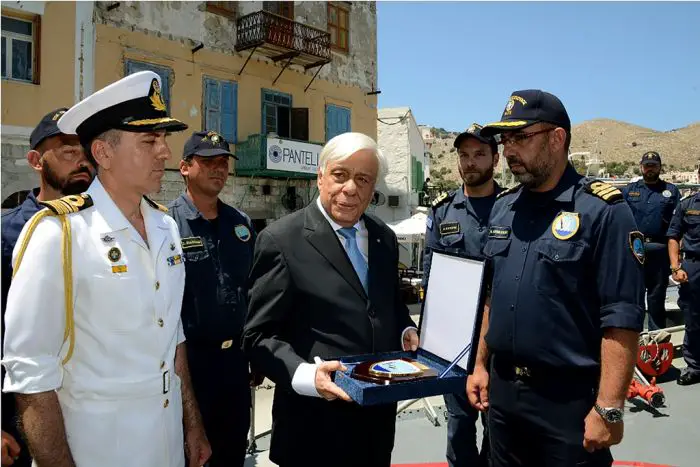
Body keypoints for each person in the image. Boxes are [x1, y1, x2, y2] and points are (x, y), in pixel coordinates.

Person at [1, 71, 211, 467]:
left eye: (164, 139)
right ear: (103, 153)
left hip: (165, 444)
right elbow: (30, 372)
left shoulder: (165, 226)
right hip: (99, 450)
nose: (165, 152)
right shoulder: (58, 233)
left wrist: (192, 425)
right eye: (150, 140)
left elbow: (172, 334)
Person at [467, 90, 645, 467]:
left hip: (567, 405)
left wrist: (609, 408)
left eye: (520, 138)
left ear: (556, 139)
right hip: (502, 399)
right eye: (505, 140)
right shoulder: (503, 209)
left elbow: (622, 318)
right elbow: (491, 296)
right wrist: (480, 365)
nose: (509, 150)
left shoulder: (604, 213)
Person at [241, 132, 419, 467]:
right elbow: (257, 336)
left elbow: (388, 306)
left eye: (363, 179)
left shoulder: (383, 238)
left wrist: (404, 330)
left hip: (376, 428)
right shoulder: (281, 240)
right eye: (340, 175)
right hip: (313, 431)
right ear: (320, 176)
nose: (350, 188)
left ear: (373, 187)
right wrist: (307, 376)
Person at [1, 108, 96, 467]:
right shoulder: (7, 233)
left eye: (86, 153)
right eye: (69, 152)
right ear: (35, 160)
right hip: (19, 415)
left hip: (90, 411)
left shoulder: (106, 230)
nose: (82, 162)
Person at [168, 130, 257, 466]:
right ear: (185, 168)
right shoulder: (168, 225)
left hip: (235, 364)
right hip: (189, 367)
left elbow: (253, 288)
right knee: (190, 456)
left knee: (231, 453)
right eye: (207, 162)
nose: (218, 169)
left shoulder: (241, 224)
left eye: (223, 163)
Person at [423, 123, 501, 467]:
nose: (470, 162)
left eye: (479, 154)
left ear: (495, 159)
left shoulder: (514, 208)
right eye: (464, 155)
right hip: (457, 345)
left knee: (500, 430)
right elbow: (432, 277)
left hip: (502, 341)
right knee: (459, 430)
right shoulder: (443, 211)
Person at [622, 152, 680, 330]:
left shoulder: (671, 191)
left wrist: (676, 259)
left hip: (659, 250)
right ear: (641, 167)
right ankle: (634, 336)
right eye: (647, 165)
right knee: (633, 296)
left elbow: (677, 224)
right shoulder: (629, 190)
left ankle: (656, 338)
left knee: (657, 297)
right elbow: (619, 219)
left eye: (653, 165)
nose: (650, 169)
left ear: (659, 167)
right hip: (634, 249)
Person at [667, 165, 700, 386]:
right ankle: (695, 366)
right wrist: (675, 268)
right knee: (693, 318)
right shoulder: (687, 205)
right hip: (693, 267)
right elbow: (673, 236)